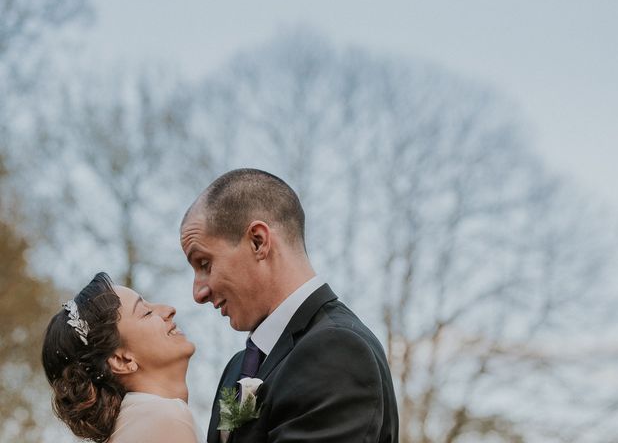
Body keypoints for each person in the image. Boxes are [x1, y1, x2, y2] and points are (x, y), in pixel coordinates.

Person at [181, 168, 399, 443]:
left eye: (204, 264)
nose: (198, 293)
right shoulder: (237, 367)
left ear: (258, 241)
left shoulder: (336, 350)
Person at [42, 272, 204, 443]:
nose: (169, 309)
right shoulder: (165, 418)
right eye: (146, 312)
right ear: (122, 361)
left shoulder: (133, 426)